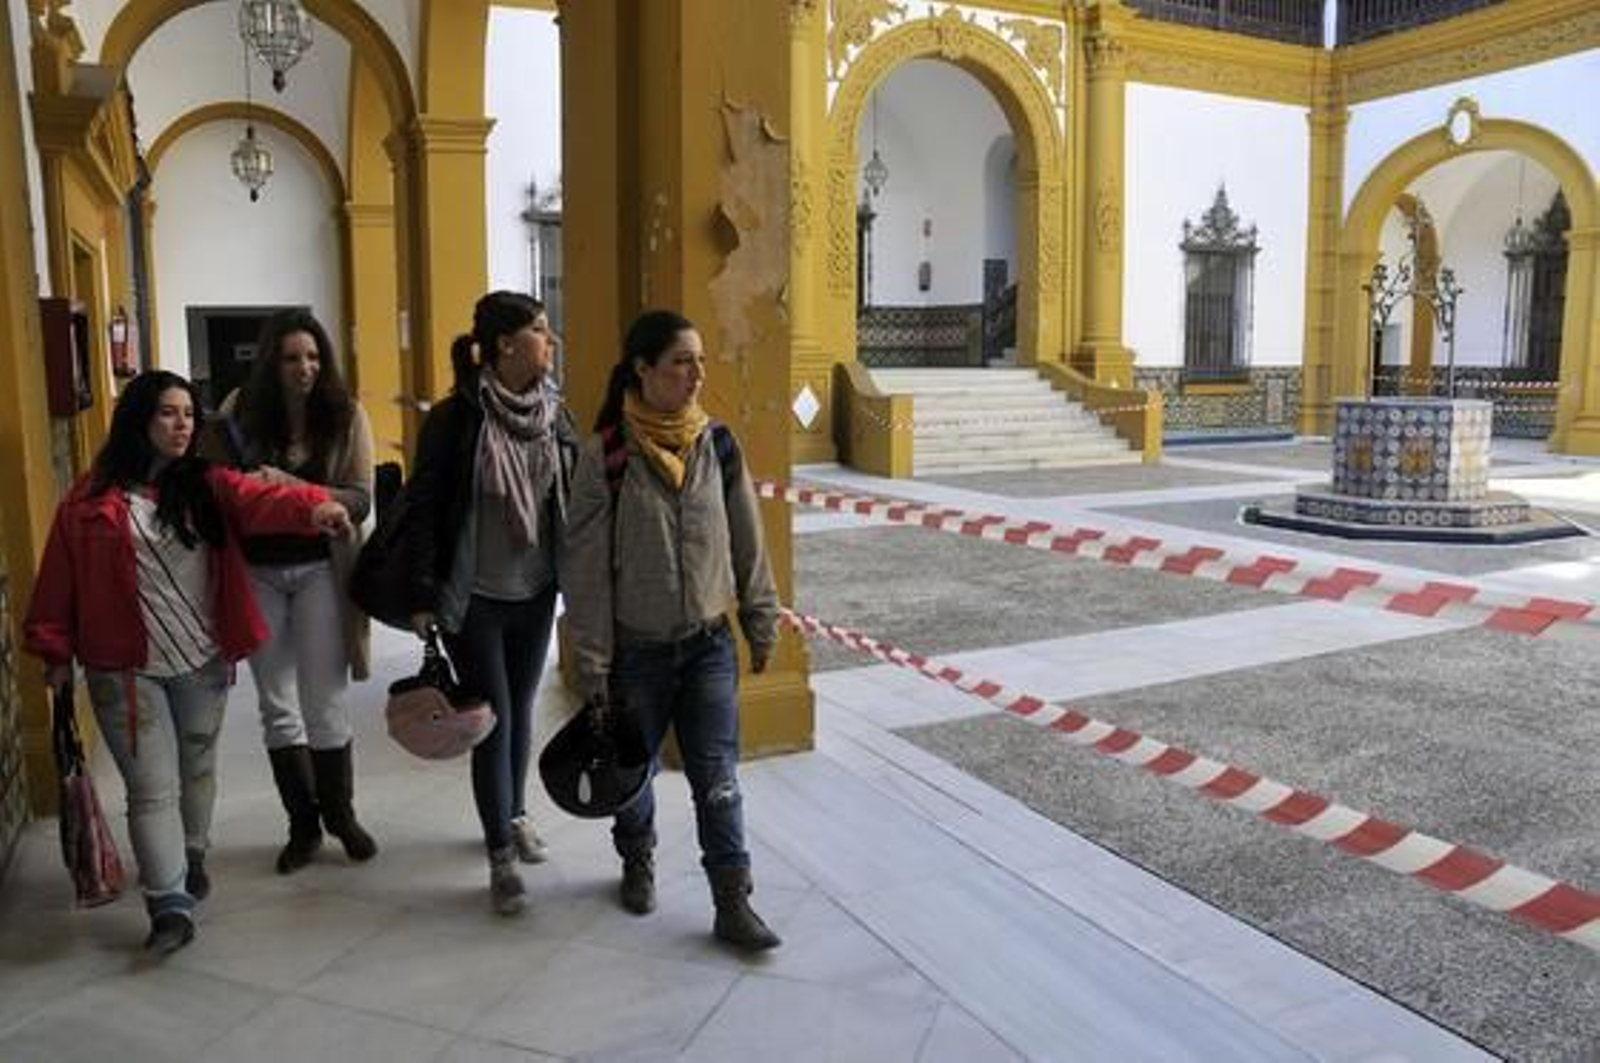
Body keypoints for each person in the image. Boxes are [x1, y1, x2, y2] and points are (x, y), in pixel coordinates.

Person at [24, 370, 351, 954]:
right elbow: (58, 580)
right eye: (168, 414)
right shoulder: (89, 500)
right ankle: (168, 903)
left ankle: (192, 850)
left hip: (201, 659)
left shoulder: (208, 485)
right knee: (151, 788)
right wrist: (54, 651)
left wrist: (318, 507)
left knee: (196, 771)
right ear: (139, 421)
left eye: (189, 415)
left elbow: (264, 495)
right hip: (123, 668)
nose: (183, 426)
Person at [562, 309, 783, 952]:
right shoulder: (602, 454)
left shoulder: (717, 443)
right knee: (633, 776)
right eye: (681, 361)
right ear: (643, 369)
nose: (696, 374)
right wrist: (594, 659)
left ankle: (732, 901)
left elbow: (749, 540)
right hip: (637, 652)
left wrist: (760, 617)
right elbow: (584, 569)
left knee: (718, 775)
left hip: (709, 643)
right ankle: (637, 858)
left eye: (700, 360)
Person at [401, 291, 577, 915]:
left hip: (534, 592)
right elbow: (422, 509)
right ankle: (500, 855)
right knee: (491, 720)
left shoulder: (555, 414)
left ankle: (517, 812)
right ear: (506, 344)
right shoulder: (456, 420)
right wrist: (422, 595)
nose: (550, 343)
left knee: (521, 709)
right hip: (473, 597)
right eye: (540, 331)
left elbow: (572, 503)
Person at [202, 309, 378, 874]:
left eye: (312, 357)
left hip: (321, 570)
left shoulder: (347, 414)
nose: (304, 368)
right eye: (291, 357)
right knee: (277, 705)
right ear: (272, 363)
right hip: (258, 572)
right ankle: (303, 826)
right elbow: (219, 489)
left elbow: (361, 497)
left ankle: (341, 817)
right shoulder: (238, 412)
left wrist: (295, 488)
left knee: (324, 699)